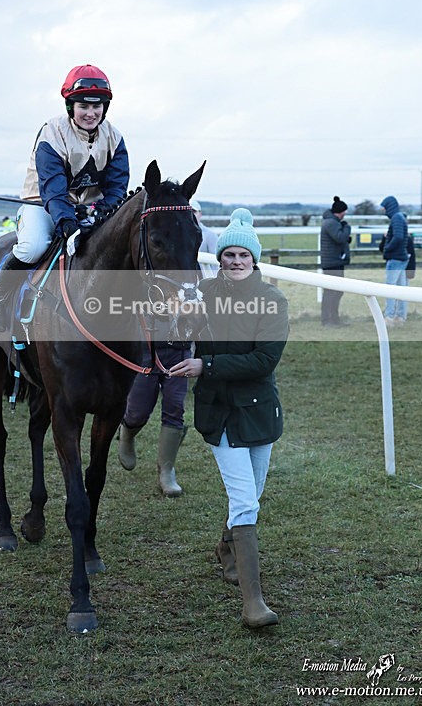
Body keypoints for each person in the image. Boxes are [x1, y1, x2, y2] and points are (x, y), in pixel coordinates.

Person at [170, 208, 289, 628]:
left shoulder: (273, 300)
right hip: (219, 414)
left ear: (253, 259)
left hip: (260, 414)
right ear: (219, 258)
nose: (236, 261)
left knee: (251, 498)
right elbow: (180, 336)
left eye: (243, 255)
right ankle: (253, 603)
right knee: (244, 502)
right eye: (229, 255)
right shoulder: (202, 292)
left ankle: (226, 550)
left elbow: (264, 360)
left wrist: (208, 366)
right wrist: (182, 321)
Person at [0, 64, 130, 331]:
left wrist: (102, 211)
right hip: (41, 204)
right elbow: (53, 186)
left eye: (97, 106)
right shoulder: (51, 132)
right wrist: (67, 221)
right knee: (33, 246)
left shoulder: (115, 137)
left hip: (88, 208)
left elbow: (118, 187)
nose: (90, 113)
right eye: (83, 106)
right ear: (70, 106)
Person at [117, 317, 192, 496]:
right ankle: (126, 435)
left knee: (175, 408)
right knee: (137, 411)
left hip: (179, 351)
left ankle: (166, 472)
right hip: (144, 351)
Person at [320, 196, 351, 327]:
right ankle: (329, 320)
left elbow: (339, 239)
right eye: (344, 212)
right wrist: (347, 228)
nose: (345, 214)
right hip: (333, 262)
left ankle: (333, 319)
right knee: (332, 292)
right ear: (340, 211)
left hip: (334, 261)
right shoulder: (331, 223)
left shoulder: (331, 222)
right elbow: (340, 238)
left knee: (335, 291)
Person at [380, 195, 409, 326]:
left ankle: (389, 317)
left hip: (395, 258)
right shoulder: (401, 217)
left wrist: (387, 249)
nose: (384, 211)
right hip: (402, 257)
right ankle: (400, 317)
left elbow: (398, 237)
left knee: (390, 290)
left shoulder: (396, 218)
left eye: (385, 208)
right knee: (402, 290)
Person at [191, 198, 218, 276]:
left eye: (193, 211)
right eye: (188, 212)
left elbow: (216, 263)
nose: (190, 214)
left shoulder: (210, 235)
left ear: (200, 214)